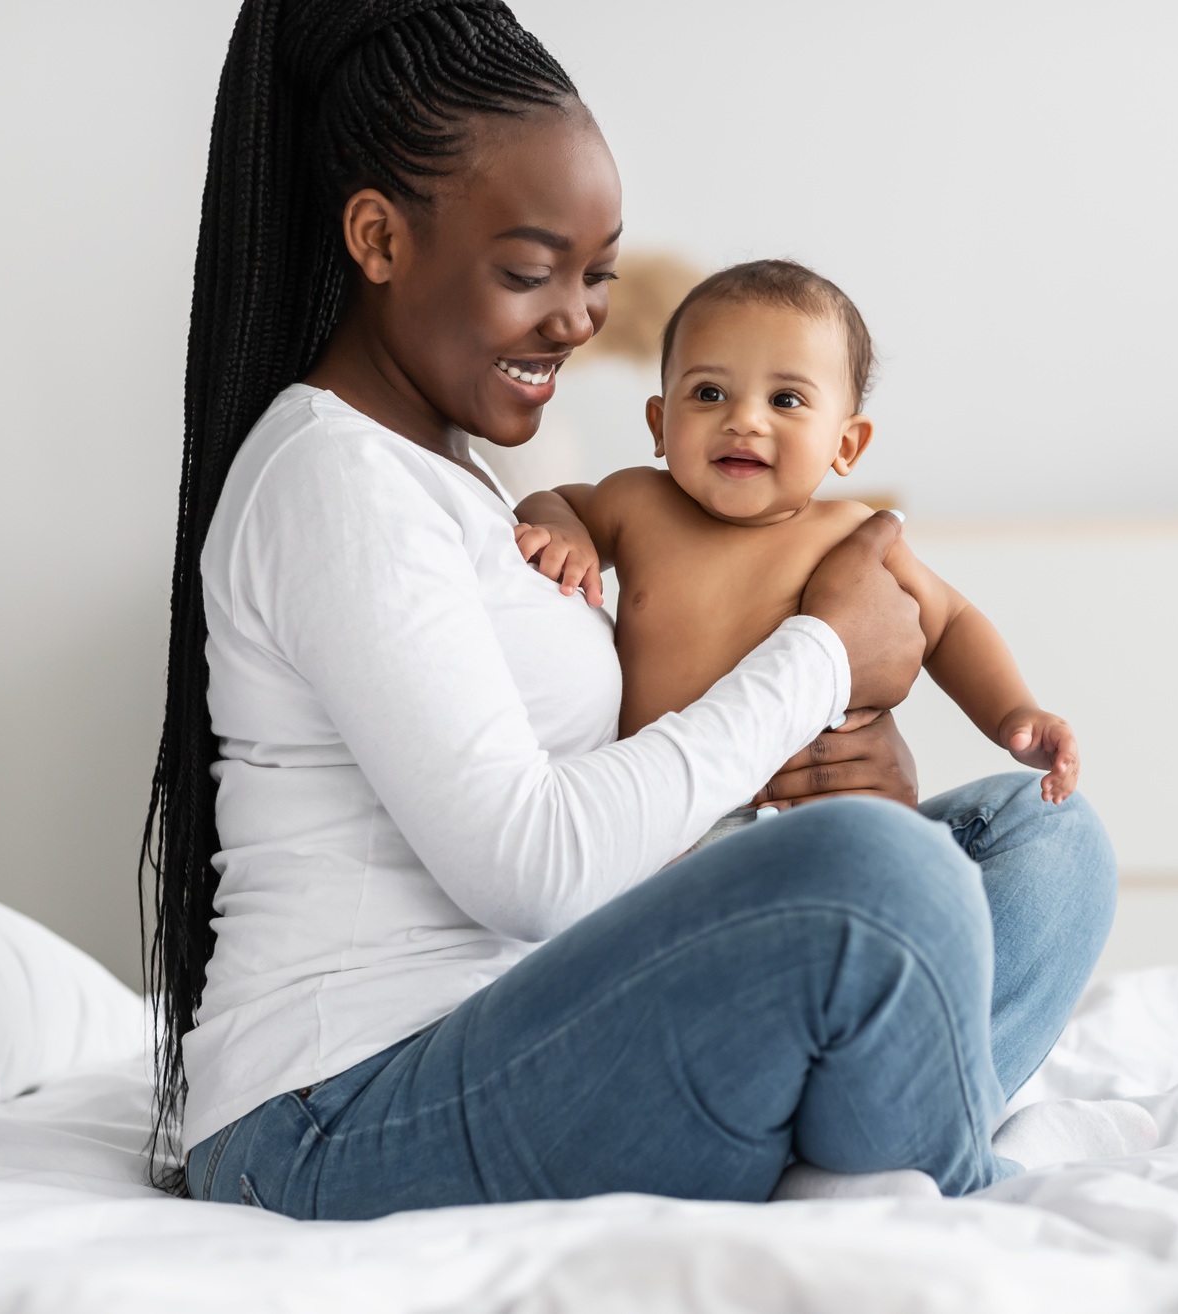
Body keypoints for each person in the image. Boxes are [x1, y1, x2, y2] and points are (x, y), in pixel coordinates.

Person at [142, 0, 1117, 1222]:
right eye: (527, 270)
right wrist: (817, 663)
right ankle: (899, 1163)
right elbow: (532, 868)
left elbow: (622, 796)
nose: (578, 318)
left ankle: (839, 1127)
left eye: (596, 274)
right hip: (338, 1113)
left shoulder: (458, 475)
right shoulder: (332, 480)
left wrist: (828, 760)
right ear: (377, 238)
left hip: (538, 1021)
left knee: (1040, 839)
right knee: (878, 879)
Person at [511, 259, 1082, 858]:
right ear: (660, 423)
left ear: (846, 443)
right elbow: (547, 498)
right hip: (655, 820)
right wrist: (560, 531)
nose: (744, 420)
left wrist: (1014, 713)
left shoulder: (850, 537)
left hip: (796, 821)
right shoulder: (636, 504)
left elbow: (951, 621)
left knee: (1034, 832)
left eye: (785, 399)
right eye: (709, 393)